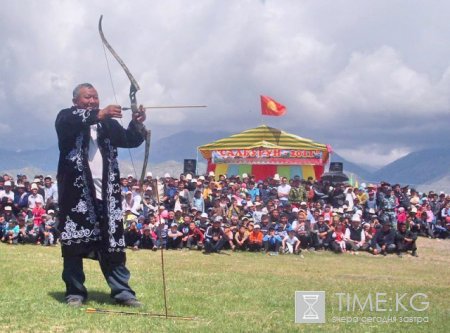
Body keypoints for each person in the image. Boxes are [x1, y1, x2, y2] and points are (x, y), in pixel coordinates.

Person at [55, 83, 146, 307]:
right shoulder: (66, 117)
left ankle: (123, 292)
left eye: (95, 97)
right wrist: (100, 112)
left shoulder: (107, 125)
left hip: (107, 194)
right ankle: (75, 292)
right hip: (76, 195)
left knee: (112, 244)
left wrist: (136, 123)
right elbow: (73, 119)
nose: (93, 101)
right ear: (76, 100)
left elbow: (129, 140)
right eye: (87, 98)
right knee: (74, 244)